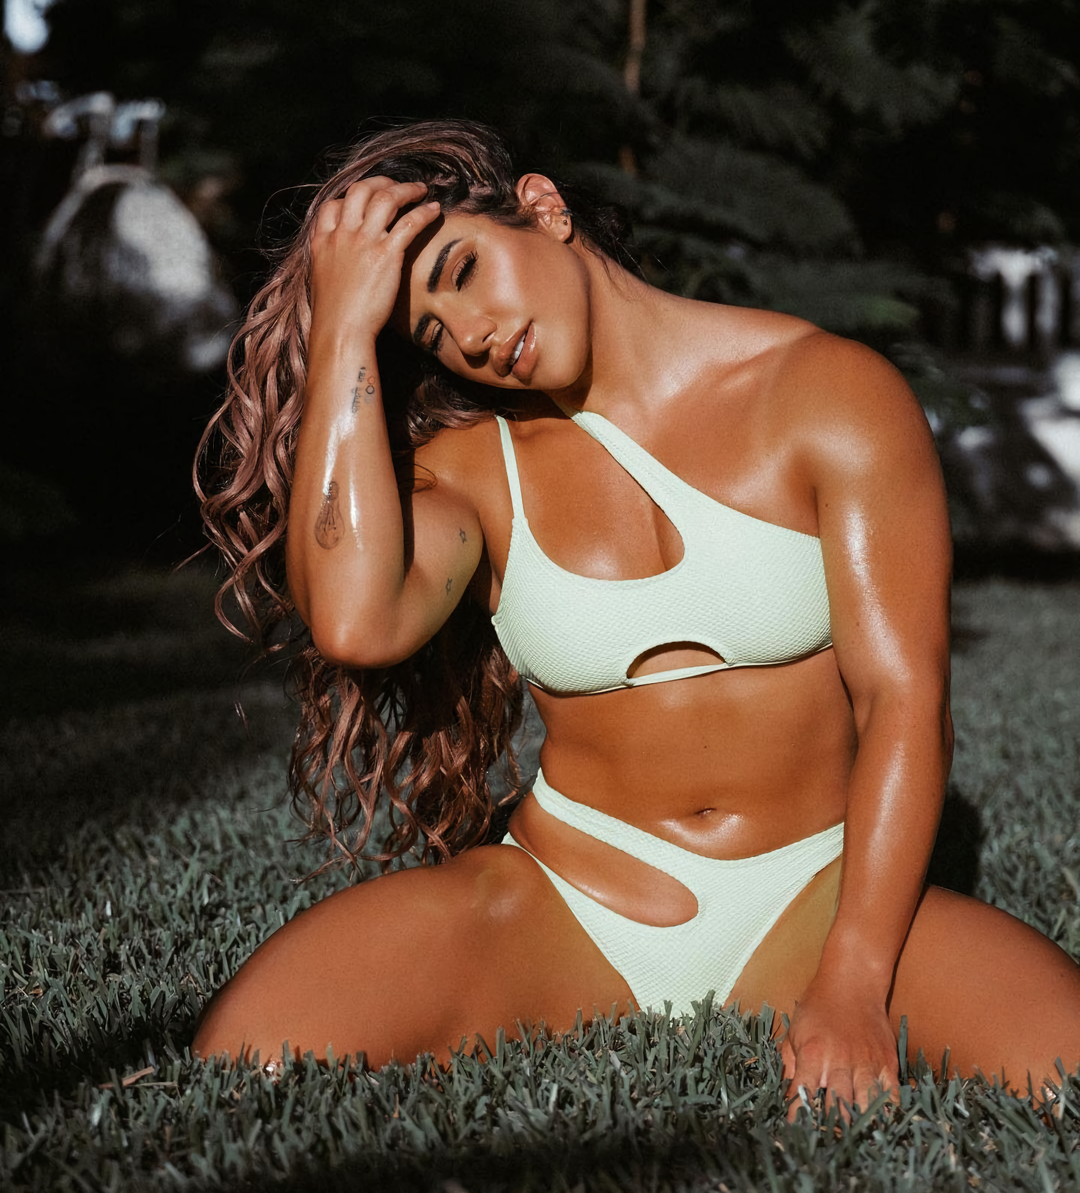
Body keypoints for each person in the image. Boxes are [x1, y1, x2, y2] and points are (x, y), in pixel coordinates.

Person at [192, 120, 1080, 1110]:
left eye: (464, 272)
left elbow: (905, 700)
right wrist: (343, 333)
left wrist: (856, 979)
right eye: (431, 333)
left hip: (821, 896)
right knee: (247, 1053)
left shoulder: (824, 394)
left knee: (1067, 1066)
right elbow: (357, 623)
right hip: (570, 905)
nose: (472, 333)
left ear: (541, 206)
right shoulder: (476, 470)